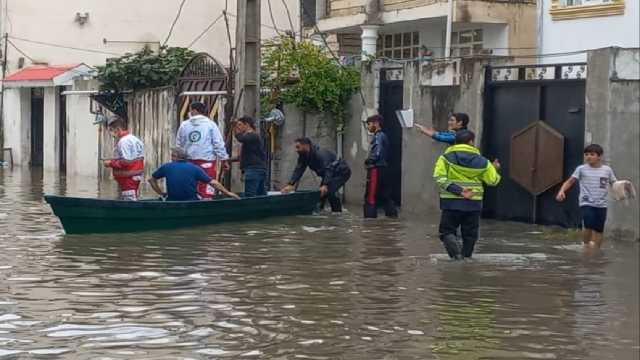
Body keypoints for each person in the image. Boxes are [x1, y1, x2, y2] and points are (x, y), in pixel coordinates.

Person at [433, 130, 501, 260]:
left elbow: (439, 178)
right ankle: (466, 260)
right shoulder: (483, 162)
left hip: (450, 203)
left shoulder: (445, 158)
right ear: (471, 142)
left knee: (446, 232)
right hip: (473, 203)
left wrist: (458, 190)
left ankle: (456, 256)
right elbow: (493, 181)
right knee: (470, 235)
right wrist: (495, 169)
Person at [556, 144, 618, 249]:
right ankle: (585, 245)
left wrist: (622, 190)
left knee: (599, 228)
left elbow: (614, 183)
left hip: (602, 204)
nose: (588, 157)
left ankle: (596, 250)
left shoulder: (607, 170)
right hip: (586, 202)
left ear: (599, 156)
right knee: (589, 223)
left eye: (592, 154)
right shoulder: (581, 169)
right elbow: (571, 181)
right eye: (586, 154)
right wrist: (561, 191)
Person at [281, 137, 351, 212]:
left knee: (330, 192)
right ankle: (320, 211)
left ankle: (337, 214)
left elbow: (329, 169)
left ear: (306, 145)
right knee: (320, 194)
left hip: (341, 172)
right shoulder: (303, 156)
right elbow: (299, 170)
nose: (296, 150)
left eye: (298, 147)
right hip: (329, 174)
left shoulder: (319, 154)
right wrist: (291, 184)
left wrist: (325, 184)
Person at [176, 101, 229, 199]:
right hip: (207, 160)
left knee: (190, 184)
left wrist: (178, 160)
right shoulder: (211, 124)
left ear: (194, 110)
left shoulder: (184, 125)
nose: (189, 112)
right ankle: (206, 203)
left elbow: (179, 144)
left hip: (189, 161)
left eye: (190, 110)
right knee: (207, 184)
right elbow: (218, 143)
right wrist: (224, 159)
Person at [149, 147, 240, 201]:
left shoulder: (166, 167)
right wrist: (228, 193)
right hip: (191, 201)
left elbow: (151, 180)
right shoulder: (195, 168)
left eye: (172, 155)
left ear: (175, 157)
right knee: (203, 197)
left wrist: (161, 193)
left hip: (172, 201)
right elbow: (213, 183)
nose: (171, 157)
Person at [363, 115, 398, 218]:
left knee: (370, 197)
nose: (368, 127)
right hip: (383, 170)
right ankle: (392, 218)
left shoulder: (378, 136)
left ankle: (369, 223)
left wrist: (369, 161)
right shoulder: (383, 136)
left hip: (376, 170)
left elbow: (377, 153)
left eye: (369, 124)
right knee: (385, 196)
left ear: (376, 123)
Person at [103, 117, 145, 201]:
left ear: (118, 129)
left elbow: (126, 161)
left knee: (129, 200)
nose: (111, 134)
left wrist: (110, 163)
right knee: (131, 197)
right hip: (134, 175)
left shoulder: (123, 141)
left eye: (111, 130)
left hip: (128, 178)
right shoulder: (134, 139)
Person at [230, 116, 268, 197]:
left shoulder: (252, 135)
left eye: (240, 125)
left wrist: (234, 127)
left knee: (250, 195)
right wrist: (226, 160)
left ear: (246, 125)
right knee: (260, 195)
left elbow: (240, 138)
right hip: (255, 169)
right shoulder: (248, 139)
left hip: (254, 169)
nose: (238, 127)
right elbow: (240, 157)